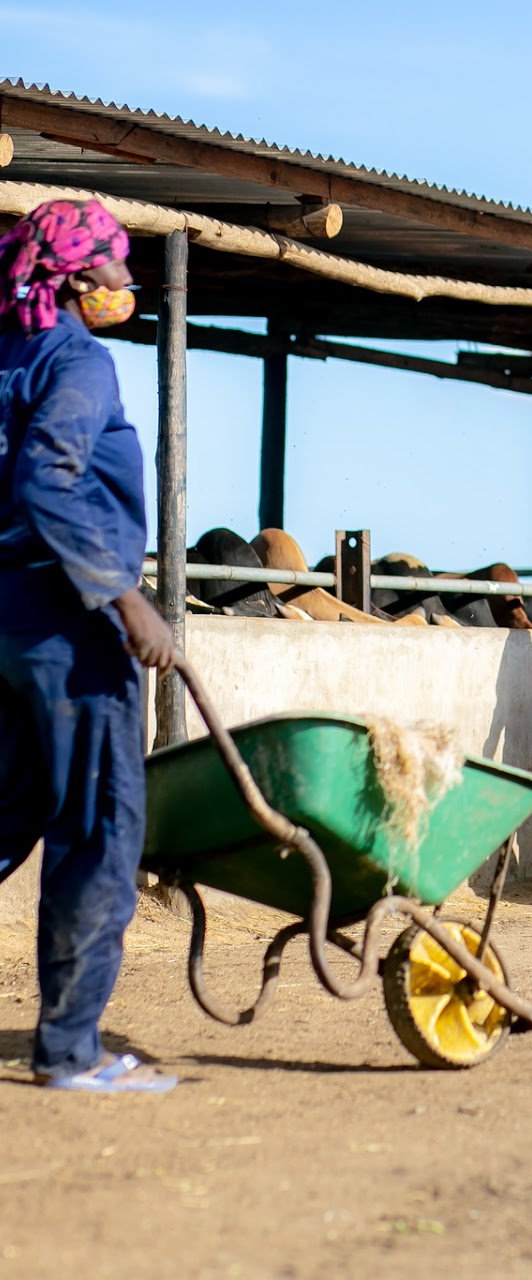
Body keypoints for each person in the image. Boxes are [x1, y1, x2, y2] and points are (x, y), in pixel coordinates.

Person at [0, 199, 178, 1092]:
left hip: (5, 622)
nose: (125, 284)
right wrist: (124, 598)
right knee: (100, 829)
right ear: (76, 280)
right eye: (114, 269)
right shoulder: (78, 358)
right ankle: (72, 1051)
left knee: (6, 812)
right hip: (72, 630)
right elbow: (46, 477)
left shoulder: (8, 355)